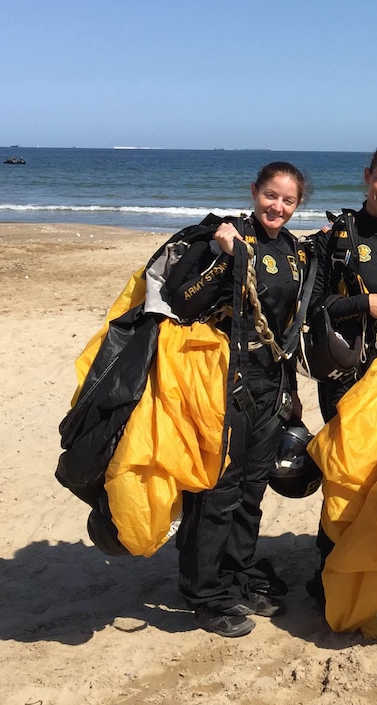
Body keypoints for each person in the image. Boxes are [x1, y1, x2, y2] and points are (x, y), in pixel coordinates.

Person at [162, 162, 314, 637]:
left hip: (271, 382)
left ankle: (240, 575)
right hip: (223, 384)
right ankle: (204, 593)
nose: (278, 207)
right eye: (271, 196)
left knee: (252, 488)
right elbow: (181, 300)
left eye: (288, 201)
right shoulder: (227, 238)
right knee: (218, 491)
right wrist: (226, 257)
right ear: (254, 192)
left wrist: (288, 390)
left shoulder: (292, 250)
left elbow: (288, 323)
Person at [304, 142, 377, 602]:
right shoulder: (337, 237)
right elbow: (312, 306)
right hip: (347, 372)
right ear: (367, 176)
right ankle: (330, 566)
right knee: (346, 471)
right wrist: (364, 303)